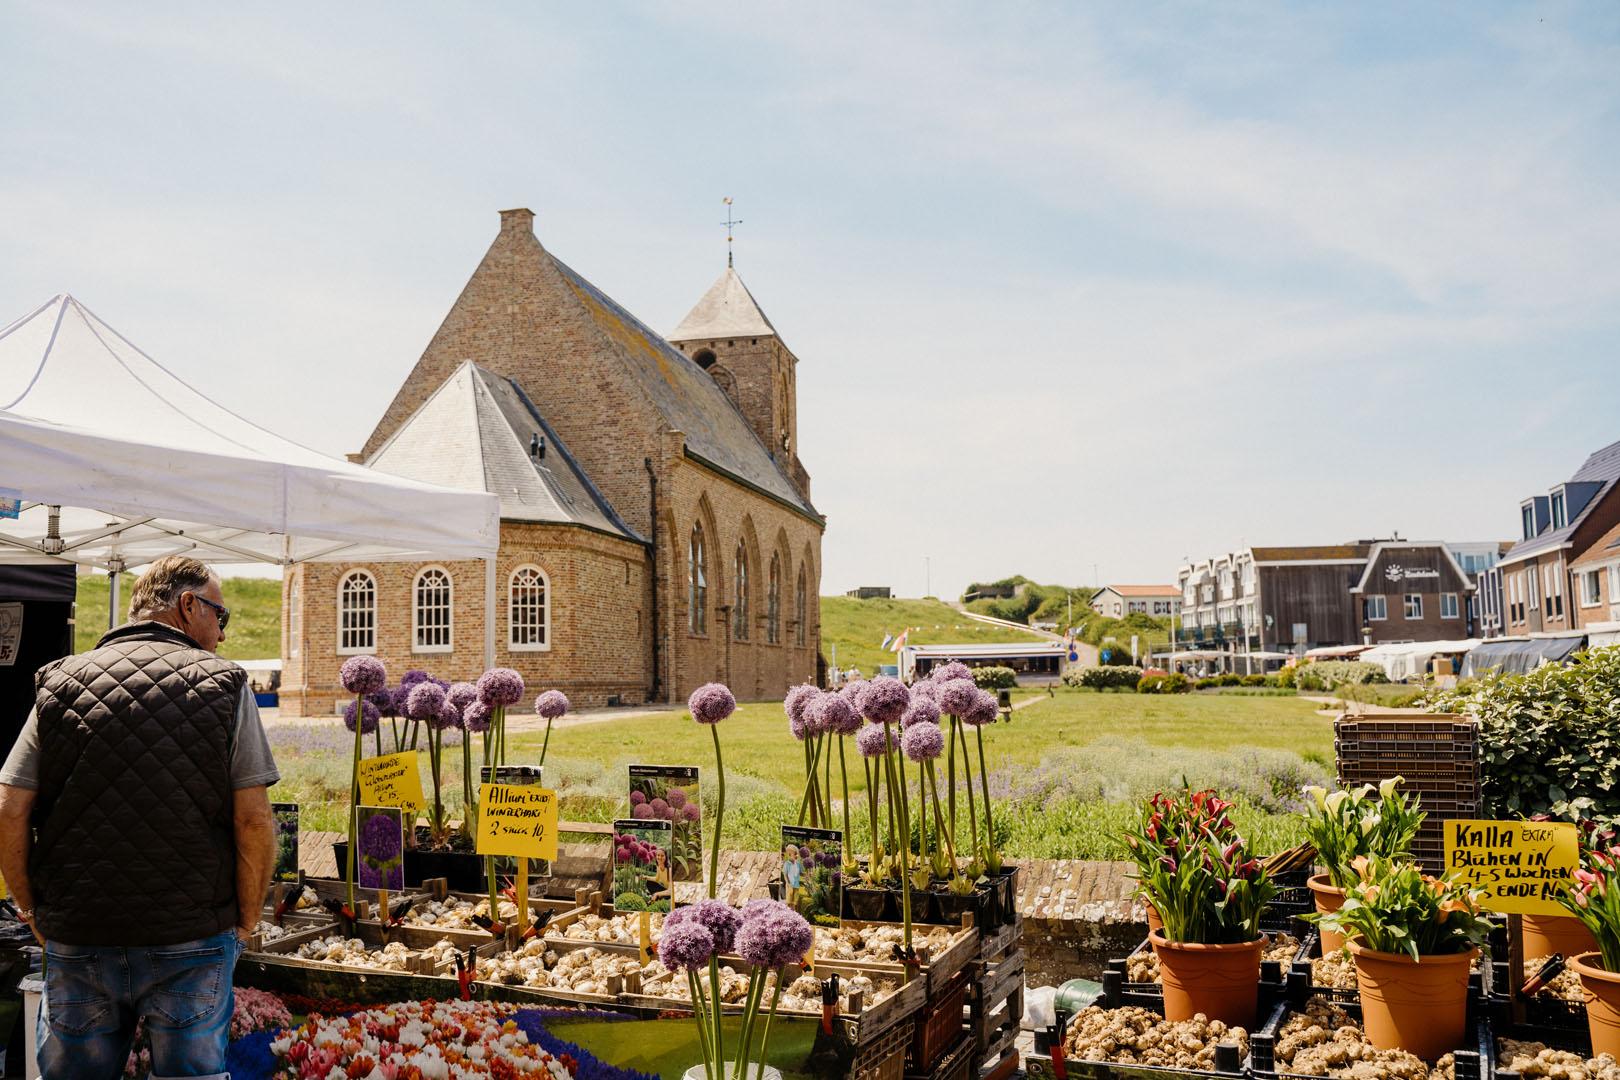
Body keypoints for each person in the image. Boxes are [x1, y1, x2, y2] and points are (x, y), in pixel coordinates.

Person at [0, 556, 280, 1080]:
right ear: (188, 605)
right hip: (192, 936)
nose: (221, 632)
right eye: (220, 616)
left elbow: (10, 808)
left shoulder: (59, 682)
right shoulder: (224, 684)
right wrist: (245, 921)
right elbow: (254, 821)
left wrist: (32, 911)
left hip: (80, 934)